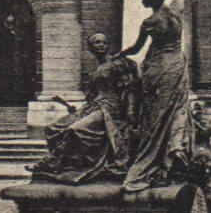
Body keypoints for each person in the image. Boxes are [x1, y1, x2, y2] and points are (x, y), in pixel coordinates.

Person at [120, 0, 193, 193]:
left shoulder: (150, 22)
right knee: (179, 106)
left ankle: (145, 164)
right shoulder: (175, 11)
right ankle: (175, 147)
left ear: (148, 0)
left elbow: (136, 49)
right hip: (176, 64)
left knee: (155, 114)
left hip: (156, 67)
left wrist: (118, 55)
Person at [29, 33, 138, 185]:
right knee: (53, 128)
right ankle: (63, 166)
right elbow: (92, 95)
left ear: (108, 46)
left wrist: (131, 110)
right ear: (90, 48)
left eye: (104, 42)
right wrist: (77, 109)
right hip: (92, 107)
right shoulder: (96, 70)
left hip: (110, 109)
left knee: (76, 129)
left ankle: (53, 162)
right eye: (97, 43)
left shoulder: (117, 63)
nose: (101, 45)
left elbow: (130, 87)